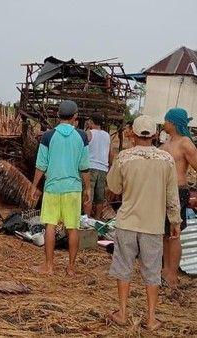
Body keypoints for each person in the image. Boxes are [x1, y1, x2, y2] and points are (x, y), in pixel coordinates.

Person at [106, 115, 181, 331]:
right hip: (153, 226)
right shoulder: (166, 160)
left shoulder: (124, 158)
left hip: (127, 223)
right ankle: (150, 318)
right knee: (151, 271)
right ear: (155, 135)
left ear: (133, 134)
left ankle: (121, 313)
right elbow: (171, 195)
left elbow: (115, 187)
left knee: (123, 268)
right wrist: (174, 221)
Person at [31, 100, 91, 276]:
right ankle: (71, 268)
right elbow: (84, 166)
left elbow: (41, 165)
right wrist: (88, 188)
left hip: (52, 187)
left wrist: (34, 186)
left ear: (58, 116)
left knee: (50, 226)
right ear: (75, 117)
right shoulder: (82, 136)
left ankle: (49, 266)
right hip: (73, 188)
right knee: (73, 228)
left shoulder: (48, 136)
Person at [159, 107, 197, 288]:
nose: (163, 123)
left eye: (166, 120)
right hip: (163, 192)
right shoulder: (167, 142)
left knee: (174, 234)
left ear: (172, 123)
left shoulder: (185, 143)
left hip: (178, 192)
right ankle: (165, 270)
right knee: (165, 234)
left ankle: (172, 274)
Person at [84, 116, 112, 218]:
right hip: (103, 168)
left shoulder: (89, 133)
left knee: (88, 195)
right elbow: (110, 153)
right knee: (100, 196)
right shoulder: (107, 136)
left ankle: (86, 219)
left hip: (90, 167)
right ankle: (97, 219)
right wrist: (109, 165)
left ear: (91, 121)